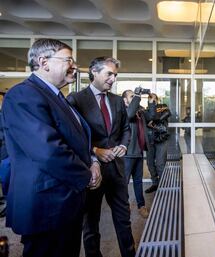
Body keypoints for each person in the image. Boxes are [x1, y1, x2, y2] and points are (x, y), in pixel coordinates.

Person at [1, 38, 101, 257]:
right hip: (47, 206)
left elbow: (78, 140)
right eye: (68, 60)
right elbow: (48, 151)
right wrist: (86, 175)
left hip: (65, 203)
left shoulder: (57, 97)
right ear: (44, 62)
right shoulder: (23, 95)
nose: (74, 66)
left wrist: (93, 161)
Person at [67, 56, 135, 257]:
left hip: (116, 169)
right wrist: (95, 151)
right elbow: (72, 137)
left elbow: (125, 128)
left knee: (124, 218)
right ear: (94, 72)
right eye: (109, 74)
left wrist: (123, 144)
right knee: (91, 221)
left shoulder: (116, 100)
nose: (113, 79)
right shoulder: (76, 100)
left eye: (115, 75)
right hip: (91, 171)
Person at [122, 89, 155, 218]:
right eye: (132, 96)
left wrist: (151, 103)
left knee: (138, 181)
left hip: (139, 153)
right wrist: (138, 95)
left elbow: (151, 117)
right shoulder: (125, 111)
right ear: (125, 100)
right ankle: (124, 206)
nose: (135, 98)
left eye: (134, 96)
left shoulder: (139, 111)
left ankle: (141, 206)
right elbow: (130, 114)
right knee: (124, 182)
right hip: (128, 154)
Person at [145, 93, 171, 193]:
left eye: (154, 99)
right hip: (150, 140)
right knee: (150, 163)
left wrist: (154, 123)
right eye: (150, 99)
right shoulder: (146, 110)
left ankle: (164, 185)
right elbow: (147, 120)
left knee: (160, 164)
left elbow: (167, 113)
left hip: (161, 139)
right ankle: (155, 184)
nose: (152, 100)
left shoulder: (163, 107)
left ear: (157, 100)